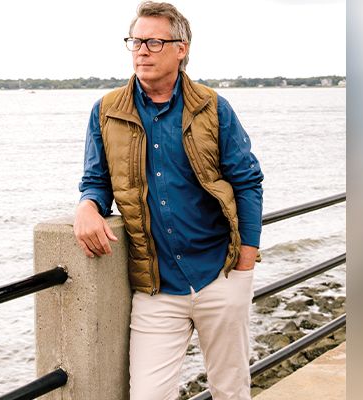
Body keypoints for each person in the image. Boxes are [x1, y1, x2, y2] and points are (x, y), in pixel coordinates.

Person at [74, 2, 264, 399]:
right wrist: (87, 206)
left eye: (154, 42)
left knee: (231, 390)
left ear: (181, 48)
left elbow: (247, 182)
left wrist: (245, 263)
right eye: (136, 41)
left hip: (220, 275)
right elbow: (96, 181)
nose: (142, 51)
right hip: (155, 288)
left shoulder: (213, 107)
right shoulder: (106, 112)